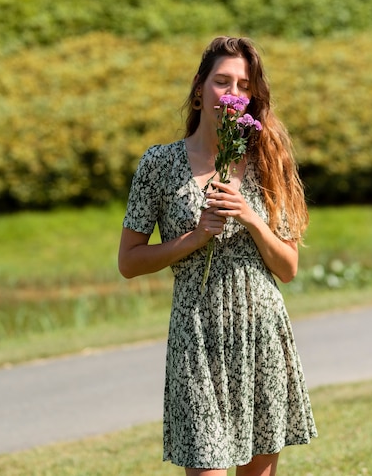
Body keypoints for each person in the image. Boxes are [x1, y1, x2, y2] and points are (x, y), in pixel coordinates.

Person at [118, 36, 317, 476]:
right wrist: (192, 238)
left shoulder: (268, 160)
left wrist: (251, 219)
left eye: (244, 85)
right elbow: (129, 262)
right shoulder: (159, 163)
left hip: (260, 332)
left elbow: (288, 269)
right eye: (222, 81)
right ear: (199, 88)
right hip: (196, 335)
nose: (233, 93)